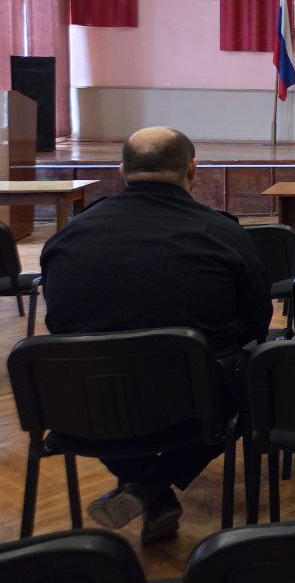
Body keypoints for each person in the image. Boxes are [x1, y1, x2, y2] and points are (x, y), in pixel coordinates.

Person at [39, 127, 271, 543]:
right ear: (192, 169)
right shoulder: (223, 233)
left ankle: (150, 491)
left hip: (88, 405)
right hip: (196, 403)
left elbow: (60, 324)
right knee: (249, 380)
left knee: (103, 378)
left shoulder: (68, 237)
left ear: (122, 170)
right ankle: (153, 486)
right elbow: (257, 320)